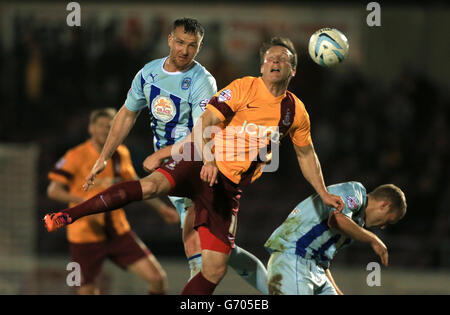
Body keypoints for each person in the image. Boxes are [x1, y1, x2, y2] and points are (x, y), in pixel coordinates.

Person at [43, 36, 344, 295]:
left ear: (294, 68)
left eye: (283, 58)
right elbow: (206, 124)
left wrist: (323, 192)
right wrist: (188, 156)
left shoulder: (295, 112)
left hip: (227, 188)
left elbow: (307, 155)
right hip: (200, 162)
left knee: (215, 268)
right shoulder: (243, 88)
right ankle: (68, 215)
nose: (275, 61)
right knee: (151, 187)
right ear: (262, 65)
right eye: (270, 58)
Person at [47, 17, 269, 294]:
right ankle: (273, 288)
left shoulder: (203, 81)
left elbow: (204, 132)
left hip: (199, 162)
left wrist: (162, 154)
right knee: (220, 249)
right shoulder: (148, 74)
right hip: (174, 165)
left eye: (192, 45)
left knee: (192, 237)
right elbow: (127, 113)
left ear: (199, 47)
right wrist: (104, 155)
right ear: (169, 40)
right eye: (180, 42)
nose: (185, 51)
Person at [46, 108, 179, 294]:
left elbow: (135, 185)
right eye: (101, 126)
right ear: (91, 128)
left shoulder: (121, 153)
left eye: (110, 126)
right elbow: (53, 190)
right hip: (84, 235)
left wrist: (161, 209)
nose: (105, 130)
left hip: (118, 230)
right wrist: (84, 201)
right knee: (86, 291)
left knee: (157, 279)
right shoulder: (75, 155)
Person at [265, 182, 407, 295]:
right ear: (384, 205)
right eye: (387, 221)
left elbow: (323, 262)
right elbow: (336, 220)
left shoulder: (354, 227)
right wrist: (373, 239)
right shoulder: (355, 191)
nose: (383, 226)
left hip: (314, 268)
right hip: (294, 255)